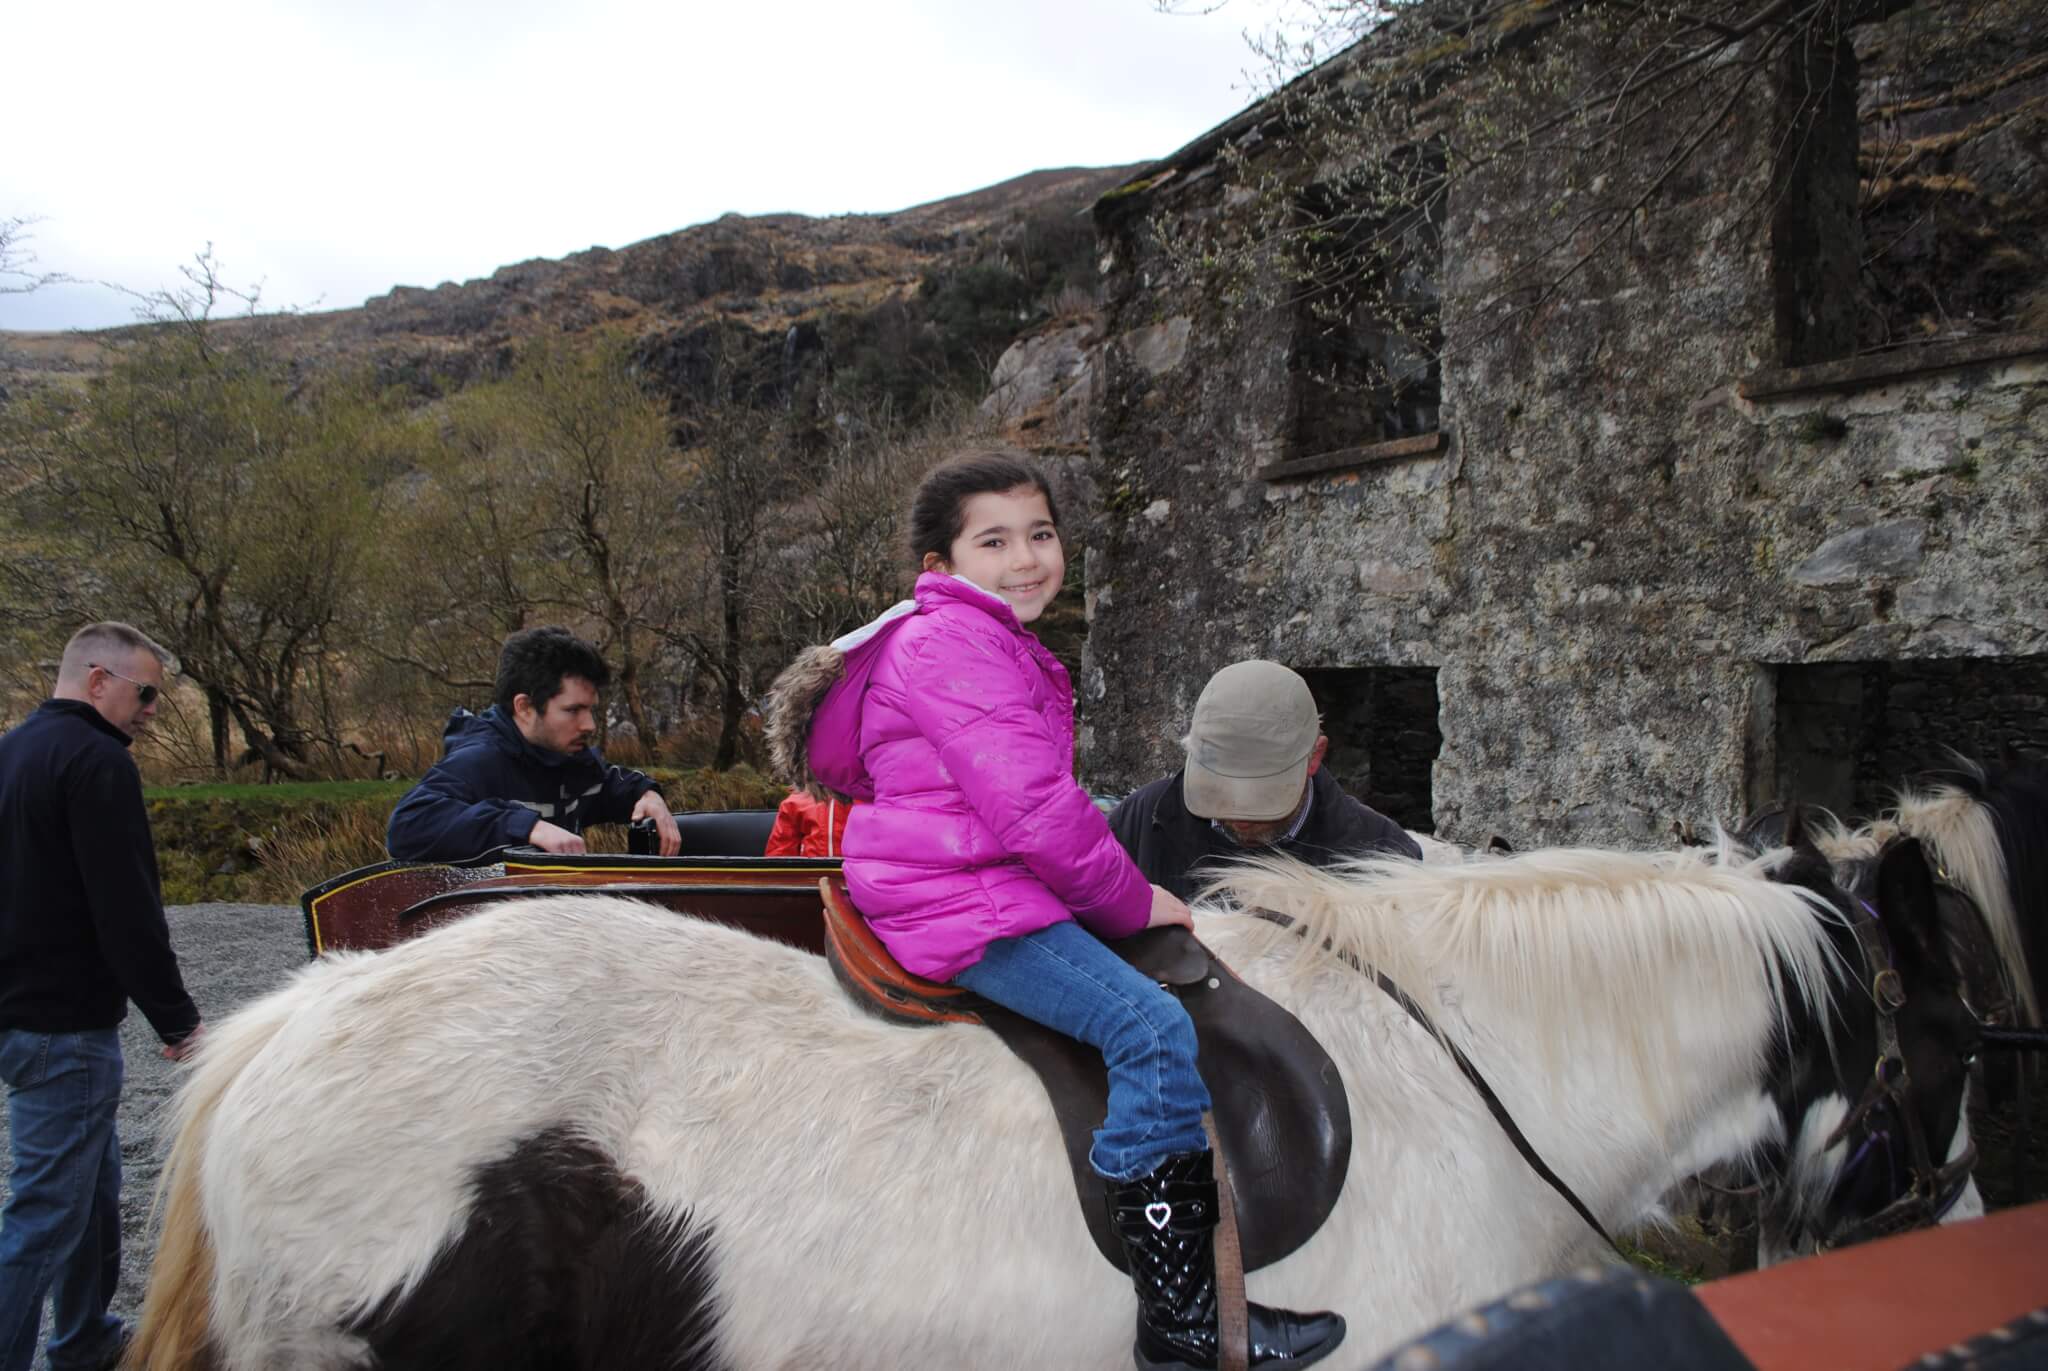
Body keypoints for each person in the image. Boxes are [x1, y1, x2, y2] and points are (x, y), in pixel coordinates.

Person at [775, 450, 1343, 1370]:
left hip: (970, 877)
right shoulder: (956, 645)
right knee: (1149, 1028)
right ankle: (1183, 1322)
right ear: (941, 564)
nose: (1027, 558)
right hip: (964, 900)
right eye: (994, 541)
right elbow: (1036, 811)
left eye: (1039, 533)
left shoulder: (978, 636)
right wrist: (1132, 899)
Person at [0, 622, 205, 1371]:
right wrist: (178, 1021)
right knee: (46, 1213)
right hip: (64, 1026)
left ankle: (84, 1336)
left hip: (19, 1014)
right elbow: (126, 911)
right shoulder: (97, 762)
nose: (151, 711)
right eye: (145, 694)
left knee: (93, 1190)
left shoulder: (12, 751)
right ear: (97, 680)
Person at [1110, 660, 1421, 901]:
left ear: (1314, 756)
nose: (1240, 814)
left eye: (1261, 791)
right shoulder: (1139, 822)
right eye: (1221, 786)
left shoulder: (1384, 857)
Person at [386, 626, 680, 862]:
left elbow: (607, 784)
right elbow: (408, 825)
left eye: (590, 710)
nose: (589, 725)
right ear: (525, 708)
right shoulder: (479, 759)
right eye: (573, 710)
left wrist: (646, 794)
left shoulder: (564, 758)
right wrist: (528, 828)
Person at [763, 788, 852, 857]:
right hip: (810, 872)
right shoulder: (794, 803)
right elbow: (780, 856)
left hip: (855, 872)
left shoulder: (859, 801)